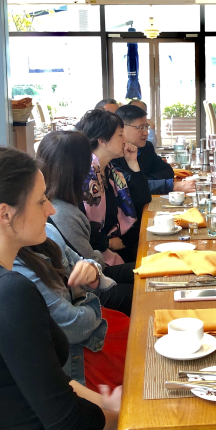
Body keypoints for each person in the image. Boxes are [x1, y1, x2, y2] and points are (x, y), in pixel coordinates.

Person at [0, 145, 216, 430]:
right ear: (4, 215)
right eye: (40, 200)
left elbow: (50, 389)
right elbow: (65, 420)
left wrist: (114, 405)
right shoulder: (7, 293)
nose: (51, 209)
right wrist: (131, 414)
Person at [36, 130, 135, 314]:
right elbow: (92, 266)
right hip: (86, 294)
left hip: (93, 278)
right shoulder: (62, 211)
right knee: (144, 292)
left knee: (147, 272)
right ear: (78, 168)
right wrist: (98, 255)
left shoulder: (63, 201)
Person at [13, 223, 113, 383]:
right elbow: (75, 327)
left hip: (93, 325)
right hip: (77, 357)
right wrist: (90, 300)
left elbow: (86, 265)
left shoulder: (47, 231)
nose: (51, 211)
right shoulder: (17, 271)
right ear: (6, 214)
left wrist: (93, 272)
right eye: (39, 206)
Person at [78, 108, 152, 263]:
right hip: (98, 256)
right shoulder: (85, 177)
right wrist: (107, 242)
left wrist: (133, 162)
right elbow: (79, 226)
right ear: (102, 140)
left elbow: (143, 201)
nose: (125, 140)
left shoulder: (111, 172)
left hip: (124, 244)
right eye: (120, 135)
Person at [114, 104, 195, 196]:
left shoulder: (146, 147)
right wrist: (171, 185)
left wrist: (143, 180)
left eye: (146, 127)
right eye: (140, 127)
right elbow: (127, 185)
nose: (146, 133)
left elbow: (168, 171)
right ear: (122, 128)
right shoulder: (113, 154)